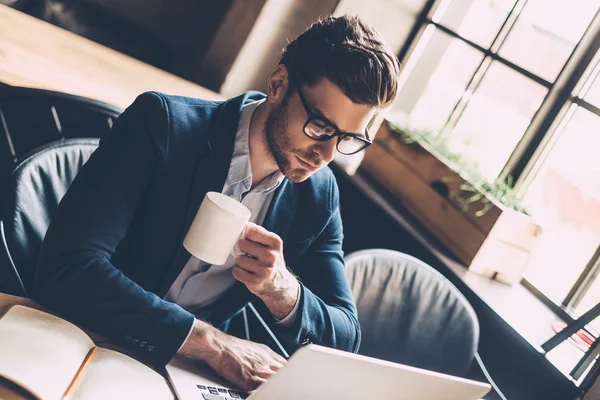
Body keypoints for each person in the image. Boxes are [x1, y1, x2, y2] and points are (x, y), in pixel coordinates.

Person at [34, 14, 400, 391]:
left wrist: (282, 290)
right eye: (320, 127)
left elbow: (344, 338)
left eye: (348, 139)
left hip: (184, 379)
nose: (325, 153)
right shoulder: (162, 125)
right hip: (85, 338)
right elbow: (68, 268)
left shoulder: (318, 195)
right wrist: (211, 344)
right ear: (278, 84)